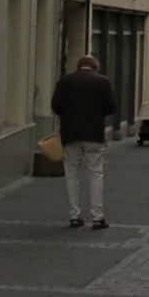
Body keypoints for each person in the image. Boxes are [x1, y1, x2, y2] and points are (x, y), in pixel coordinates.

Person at [51, 55, 117, 230]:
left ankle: (75, 215)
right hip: (94, 134)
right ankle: (97, 217)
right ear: (95, 67)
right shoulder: (103, 82)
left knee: (71, 172)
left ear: (79, 66)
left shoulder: (65, 81)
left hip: (70, 134)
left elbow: (55, 106)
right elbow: (111, 107)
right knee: (96, 173)